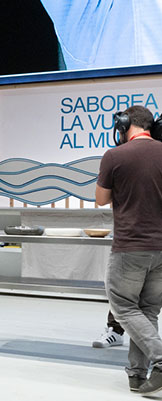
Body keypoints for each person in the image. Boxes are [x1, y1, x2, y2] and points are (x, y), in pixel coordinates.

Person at [96, 105, 162, 394]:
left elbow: (100, 199)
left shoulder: (114, 156)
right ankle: (137, 376)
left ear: (123, 124)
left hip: (129, 247)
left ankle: (160, 360)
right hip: (161, 248)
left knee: (123, 306)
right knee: (147, 311)